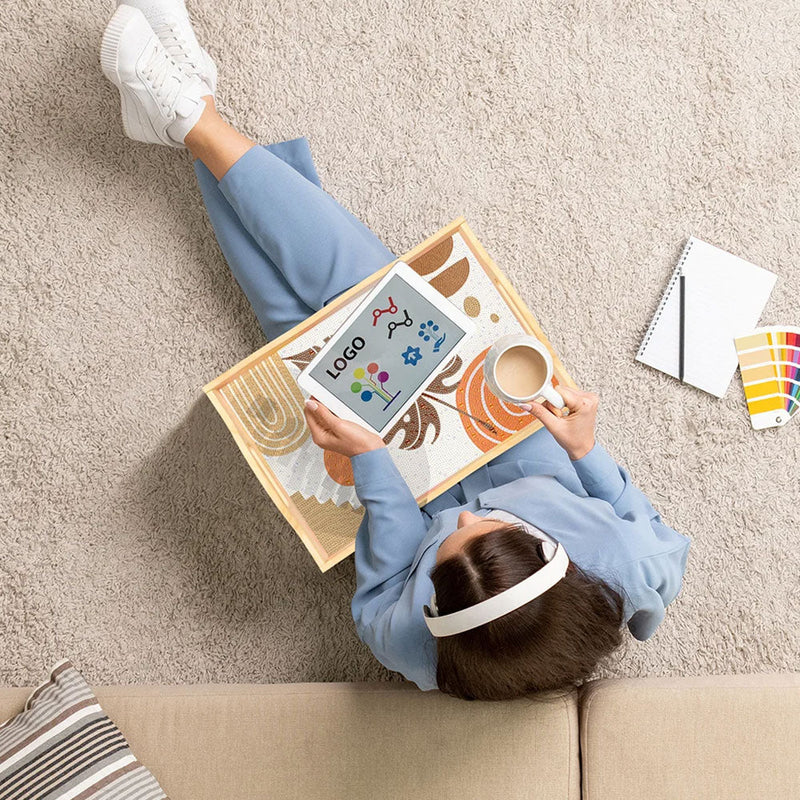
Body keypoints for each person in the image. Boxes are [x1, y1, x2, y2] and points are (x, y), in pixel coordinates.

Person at [100, 0, 691, 701]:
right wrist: (587, 448)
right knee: (361, 285)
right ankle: (192, 118)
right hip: (505, 435)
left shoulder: (406, 641)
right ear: (558, 557)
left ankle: (195, 112)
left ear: (434, 609)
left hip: (390, 492)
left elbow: (381, 578)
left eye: (451, 547)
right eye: (496, 530)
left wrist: (375, 469)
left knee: (295, 336)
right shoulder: (629, 563)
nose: (467, 519)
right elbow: (645, 522)